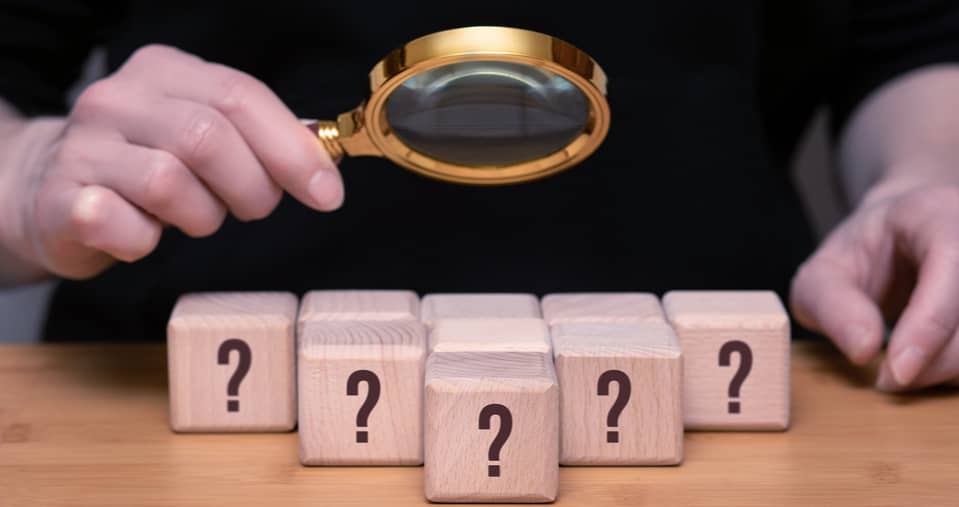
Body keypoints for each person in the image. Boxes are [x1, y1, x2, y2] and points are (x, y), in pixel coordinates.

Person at [1, 2, 958, 393]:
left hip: (731, 393)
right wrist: (25, 175)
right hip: (162, 399)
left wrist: (926, 180)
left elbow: (909, 44)